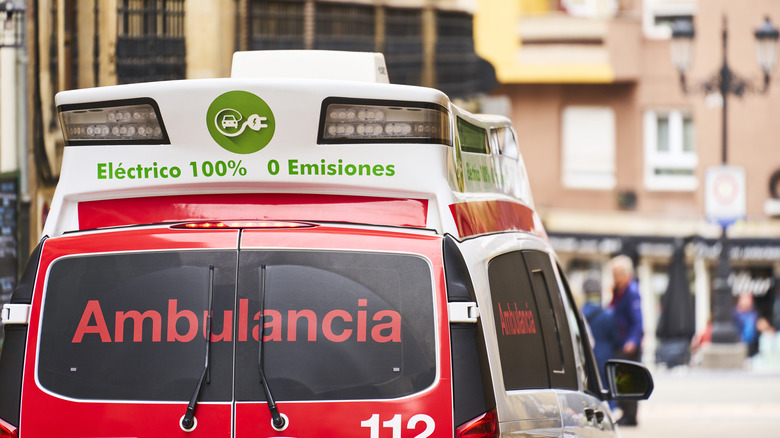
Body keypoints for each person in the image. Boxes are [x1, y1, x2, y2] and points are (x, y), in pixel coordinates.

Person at [609, 254, 643, 427]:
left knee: (628, 381)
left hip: (628, 345)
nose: (614, 277)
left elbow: (638, 320)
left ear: (624, 273)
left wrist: (633, 340)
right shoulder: (618, 290)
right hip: (620, 342)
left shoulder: (632, 291)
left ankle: (630, 415)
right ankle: (625, 412)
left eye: (616, 274)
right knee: (621, 381)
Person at [581, 275, 618, 391]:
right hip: (606, 358)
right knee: (607, 390)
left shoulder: (579, 314)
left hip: (586, 357)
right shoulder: (608, 315)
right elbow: (616, 338)